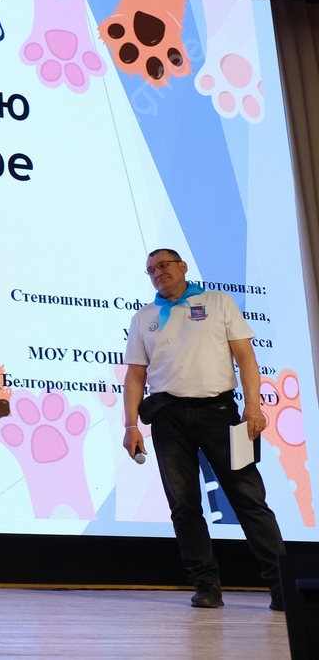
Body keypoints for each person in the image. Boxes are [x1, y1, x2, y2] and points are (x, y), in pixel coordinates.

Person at [122, 248, 286, 610]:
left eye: (164, 265)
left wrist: (253, 407)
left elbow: (245, 357)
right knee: (184, 505)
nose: (157, 273)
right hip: (167, 416)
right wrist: (131, 425)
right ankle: (206, 584)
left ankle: (282, 586)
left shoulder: (217, 302)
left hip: (219, 412)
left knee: (249, 498)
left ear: (183, 267)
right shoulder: (144, 317)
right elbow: (135, 375)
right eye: (151, 270)